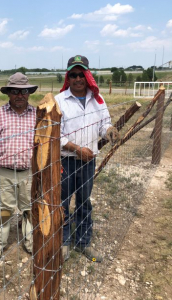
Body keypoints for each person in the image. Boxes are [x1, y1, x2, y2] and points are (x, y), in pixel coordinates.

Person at [55, 55, 119, 263]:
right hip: (66, 161)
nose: (77, 79)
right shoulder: (59, 101)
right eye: (73, 74)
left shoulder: (98, 100)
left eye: (81, 74)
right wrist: (75, 148)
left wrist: (109, 130)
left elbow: (104, 124)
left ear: (87, 75)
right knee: (62, 203)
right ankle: (63, 242)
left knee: (84, 201)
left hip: (87, 162)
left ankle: (83, 242)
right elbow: (55, 133)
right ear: (68, 77)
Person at [0, 72, 38, 261]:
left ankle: (31, 243)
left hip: (30, 173)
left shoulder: (37, 115)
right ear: (9, 93)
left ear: (29, 93)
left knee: (29, 209)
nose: (19, 95)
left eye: (23, 91)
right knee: (4, 210)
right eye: (15, 91)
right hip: (5, 172)